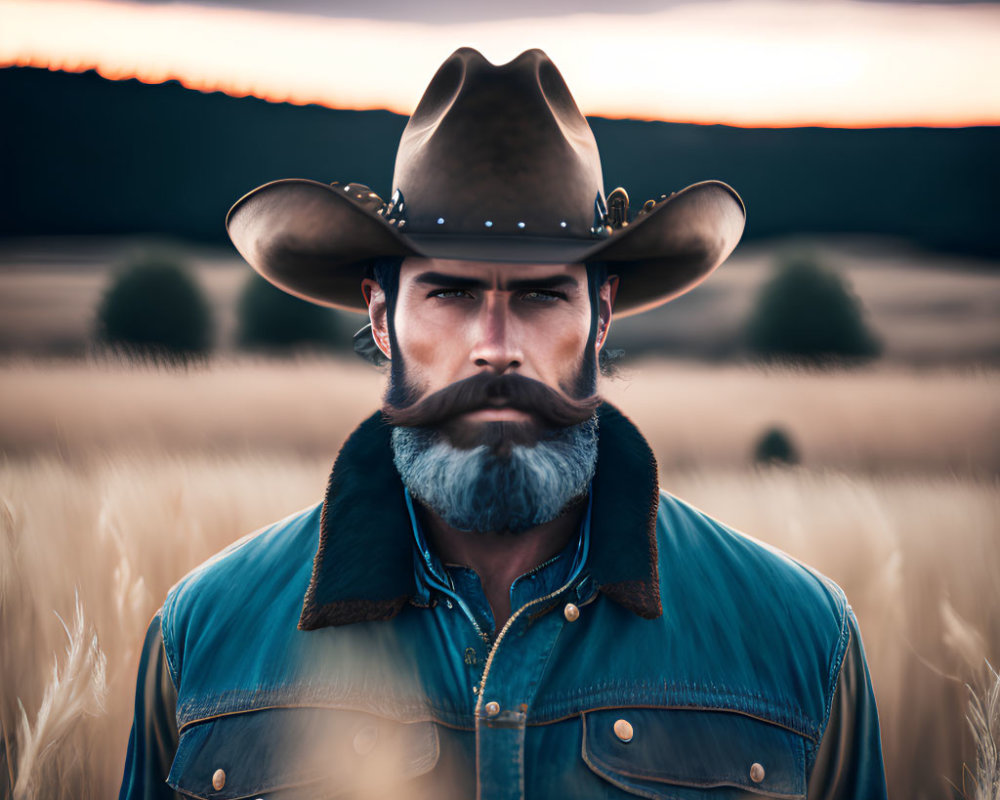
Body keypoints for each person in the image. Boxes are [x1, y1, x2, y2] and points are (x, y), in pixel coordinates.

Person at [119, 48, 887, 799]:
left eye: (542, 295)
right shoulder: (205, 642)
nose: (494, 348)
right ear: (382, 317)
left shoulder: (799, 639)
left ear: (601, 316)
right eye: (449, 293)